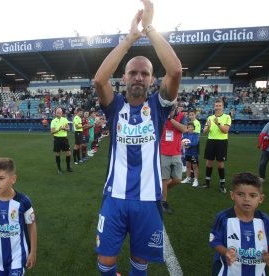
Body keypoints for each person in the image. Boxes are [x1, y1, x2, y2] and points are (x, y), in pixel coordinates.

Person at [93, 0, 182, 274]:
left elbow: (176, 71)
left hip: (147, 200)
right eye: (133, 72)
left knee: (139, 263)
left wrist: (150, 28)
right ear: (124, 77)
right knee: (106, 263)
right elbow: (99, 80)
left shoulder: (157, 107)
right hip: (115, 197)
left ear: (152, 80)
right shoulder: (115, 106)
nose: (139, 77)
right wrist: (131, 37)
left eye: (145, 73)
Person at [209, 172, 269, 275]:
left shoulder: (266, 221)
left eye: (252, 195)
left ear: (261, 198)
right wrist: (226, 252)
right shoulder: (223, 218)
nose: (246, 199)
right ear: (232, 195)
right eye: (240, 194)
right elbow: (215, 241)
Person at [0, 157, 37, 275]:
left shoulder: (23, 201)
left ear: (13, 179)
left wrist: (33, 251)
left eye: (1, 178)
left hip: (18, 255)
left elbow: (31, 226)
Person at [200, 98, 231, 193]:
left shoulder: (227, 117)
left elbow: (225, 130)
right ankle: (207, 182)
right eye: (216, 106)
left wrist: (218, 124)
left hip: (221, 142)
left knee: (220, 164)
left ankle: (222, 184)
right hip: (211, 141)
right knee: (209, 162)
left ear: (222, 107)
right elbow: (204, 131)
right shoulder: (209, 118)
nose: (217, 107)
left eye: (219, 106)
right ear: (213, 107)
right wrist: (208, 126)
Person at [160, 107, 187, 214]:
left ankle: (161, 191)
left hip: (176, 152)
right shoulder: (160, 115)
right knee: (164, 179)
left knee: (177, 179)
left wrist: (170, 119)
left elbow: (184, 129)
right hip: (163, 152)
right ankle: (163, 202)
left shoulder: (181, 116)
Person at [50, 107, 73, 174]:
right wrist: (59, 129)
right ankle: (59, 168)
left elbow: (68, 129)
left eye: (60, 113)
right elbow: (52, 131)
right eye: (57, 113)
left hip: (64, 139)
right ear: (55, 113)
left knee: (68, 153)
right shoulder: (53, 121)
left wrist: (65, 128)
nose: (58, 114)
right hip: (57, 139)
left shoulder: (65, 120)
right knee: (57, 154)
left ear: (62, 113)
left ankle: (68, 167)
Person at [181, 122, 200, 187]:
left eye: (191, 127)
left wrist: (187, 144)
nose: (190, 128)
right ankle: (188, 178)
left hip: (194, 154)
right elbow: (182, 141)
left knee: (195, 167)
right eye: (189, 127)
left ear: (193, 128)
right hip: (187, 153)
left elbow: (195, 143)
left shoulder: (196, 135)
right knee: (188, 166)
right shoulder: (185, 135)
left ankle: (196, 180)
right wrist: (182, 143)